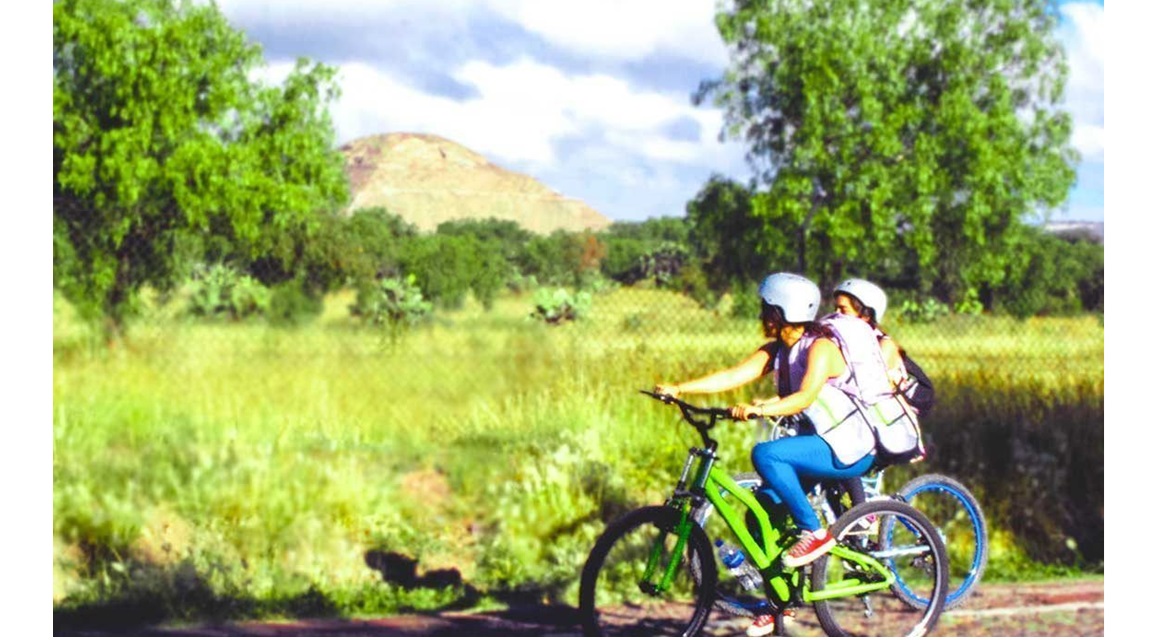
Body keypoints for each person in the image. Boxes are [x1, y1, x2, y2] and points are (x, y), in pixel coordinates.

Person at [655, 272, 890, 637]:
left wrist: (762, 408)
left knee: (766, 454)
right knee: (760, 511)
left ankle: (815, 531)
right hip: (818, 446)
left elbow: (805, 396)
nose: (761, 315)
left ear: (782, 311)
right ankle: (782, 602)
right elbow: (734, 375)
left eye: (766, 309)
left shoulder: (821, 348)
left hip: (849, 447)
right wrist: (679, 388)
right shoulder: (779, 349)